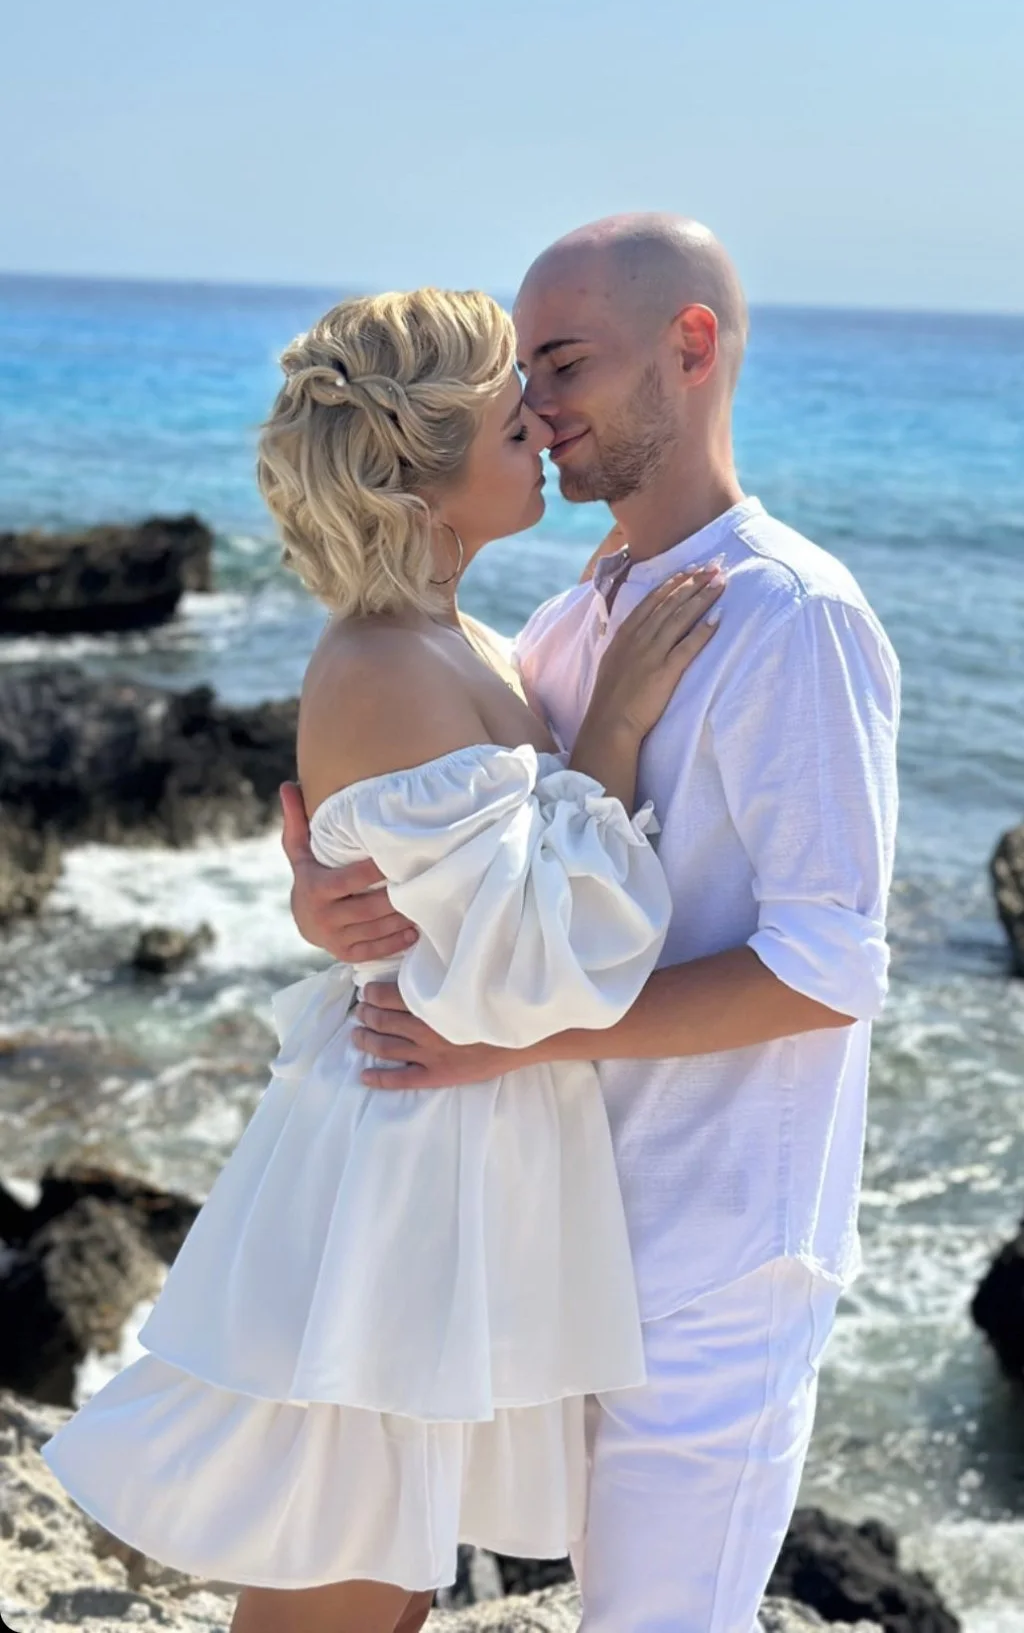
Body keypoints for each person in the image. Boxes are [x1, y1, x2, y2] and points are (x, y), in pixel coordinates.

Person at [42, 285, 727, 1633]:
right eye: (501, 408)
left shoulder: (452, 639)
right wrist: (618, 727)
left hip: (450, 1138)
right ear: (415, 473)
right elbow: (528, 957)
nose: (537, 418)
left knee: (386, 1560)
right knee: (349, 1564)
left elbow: (451, 890)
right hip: (414, 1153)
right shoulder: (385, 664)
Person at [286, 216, 901, 1633]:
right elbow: (492, 882)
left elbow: (826, 968)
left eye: (562, 364)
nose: (535, 408)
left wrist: (513, 1043)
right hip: (562, 1224)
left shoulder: (790, 616)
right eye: (524, 377)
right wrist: (333, 900)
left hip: (722, 1245)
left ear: (688, 349)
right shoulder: (573, 619)